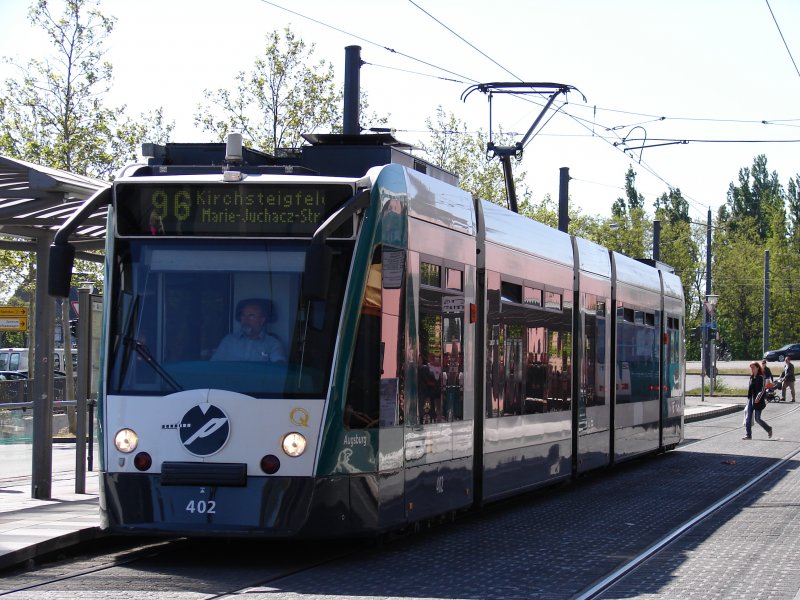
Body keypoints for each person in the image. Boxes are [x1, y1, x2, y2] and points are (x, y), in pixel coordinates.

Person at [211, 298, 286, 362]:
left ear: (262, 320)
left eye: (251, 316)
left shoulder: (272, 344)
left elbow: (278, 369)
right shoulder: (228, 341)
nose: (245, 320)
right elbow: (213, 366)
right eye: (243, 316)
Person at [743, 361, 772, 440]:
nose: (752, 369)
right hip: (751, 399)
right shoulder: (752, 377)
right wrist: (749, 398)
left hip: (759, 401)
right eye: (751, 368)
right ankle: (748, 435)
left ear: (757, 368)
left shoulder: (761, 377)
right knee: (748, 417)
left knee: (757, 419)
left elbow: (763, 389)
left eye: (753, 367)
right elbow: (750, 388)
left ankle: (768, 429)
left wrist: (758, 397)